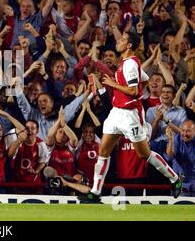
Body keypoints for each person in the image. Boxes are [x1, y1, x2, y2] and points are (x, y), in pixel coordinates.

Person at [79, 32, 183, 202]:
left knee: (144, 154)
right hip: (116, 112)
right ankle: (95, 191)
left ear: (128, 45)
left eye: (122, 39)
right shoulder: (126, 63)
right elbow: (145, 79)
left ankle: (175, 179)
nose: (118, 41)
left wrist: (113, 84)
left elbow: (135, 92)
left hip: (130, 115)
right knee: (103, 151)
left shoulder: (130, 65)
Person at [166, 120, 195, 196]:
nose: (185, 134)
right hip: (179, 184)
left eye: (188, 131)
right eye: (183, 130)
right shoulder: (176, 139)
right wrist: (170, 140)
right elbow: (169, 157)